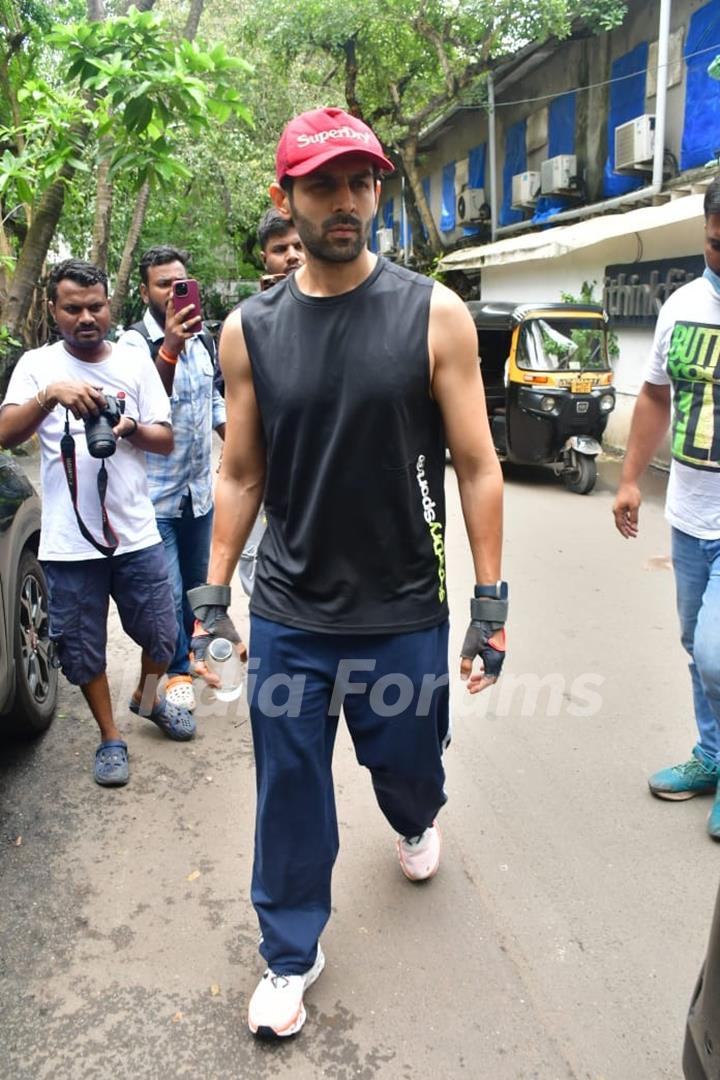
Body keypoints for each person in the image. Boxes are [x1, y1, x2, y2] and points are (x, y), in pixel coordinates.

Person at [188, 106, 507, 1038]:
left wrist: (490, 602)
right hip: (290, 607)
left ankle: (414, 817)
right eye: (324, 183)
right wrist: (213, 598)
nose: (347, 200)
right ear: (286, 197)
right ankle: (291, 951)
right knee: (289, 782)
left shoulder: (433, 313)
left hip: (404, 603)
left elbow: (480, 465)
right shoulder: (249, 330)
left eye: (361, 181)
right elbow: (242, 471)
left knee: (405, 766)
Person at [0, 259, 195, 787]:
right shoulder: (37, 366)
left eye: (96, 306)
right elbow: (5, 434)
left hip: (135, 533)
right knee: (82, 651)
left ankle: (146, 699)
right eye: (73, 308)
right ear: (53, 310)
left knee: (163, 637)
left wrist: (128, 426)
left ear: (110, 305)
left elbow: (166, 436)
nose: (87, 317)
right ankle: (111, 737)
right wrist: (51, 396)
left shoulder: (134, 362)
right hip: (69, 544)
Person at [613, 176, 720, 840]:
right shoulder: (680, 306)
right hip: (688, 514)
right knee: (693, 643)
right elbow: (654, 396)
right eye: (716, 244)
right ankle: (710, 754)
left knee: (715, 653)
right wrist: (628, 480)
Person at [118, 246, 226, 711]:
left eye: (180, 282)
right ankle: (177, 672)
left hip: (197, 493)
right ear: (145, 291)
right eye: (163, 284)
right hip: (152, 498)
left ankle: (189, 656)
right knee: (163, 593)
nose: (173, 292)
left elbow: (213, 400)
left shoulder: (203, 338)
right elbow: (141, 408)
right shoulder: (131, 344)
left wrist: (237, 444)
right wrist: (170, 347)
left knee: (194, 588)